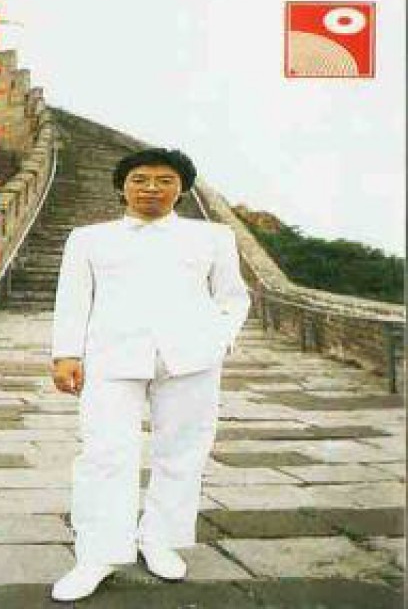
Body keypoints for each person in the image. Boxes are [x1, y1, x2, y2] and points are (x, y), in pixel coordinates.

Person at [50, 148, 250, 602]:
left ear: (182, 189)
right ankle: (97, 554)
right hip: (111, 357)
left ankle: (160, 539)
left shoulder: (212, 237)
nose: (151, 189)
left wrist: (218, 340)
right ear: (122, 186)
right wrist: (66, 354)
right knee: (104, 452)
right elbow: (73, 298)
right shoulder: (89, 239)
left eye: (165, 181)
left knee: (182, 451)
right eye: (140, 179)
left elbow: (233, 297)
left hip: (191, 358)